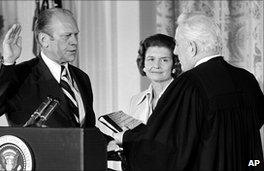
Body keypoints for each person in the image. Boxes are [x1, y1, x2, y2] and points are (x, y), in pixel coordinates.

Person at [112, 11, 264, 170]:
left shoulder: (188, 83)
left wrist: (127, 138)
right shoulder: (247, 79)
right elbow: (256, 121)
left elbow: (165, 145)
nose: (176, 51)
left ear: (192, 47)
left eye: (178, 44)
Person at [0, 8, 95, 128]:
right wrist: (8, 61)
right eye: (67, 36)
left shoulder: (81, 77)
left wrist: (110, 141)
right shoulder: (21, 76)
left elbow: (86, 131)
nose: (74, 42)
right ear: (44, 40)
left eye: (75, 35)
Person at [128, 33, 181, 124]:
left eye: (164, 60)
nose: (156, 66)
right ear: (143, 63)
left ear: (174, 64)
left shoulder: (184, 97)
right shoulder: (135, 100)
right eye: (151, 59)